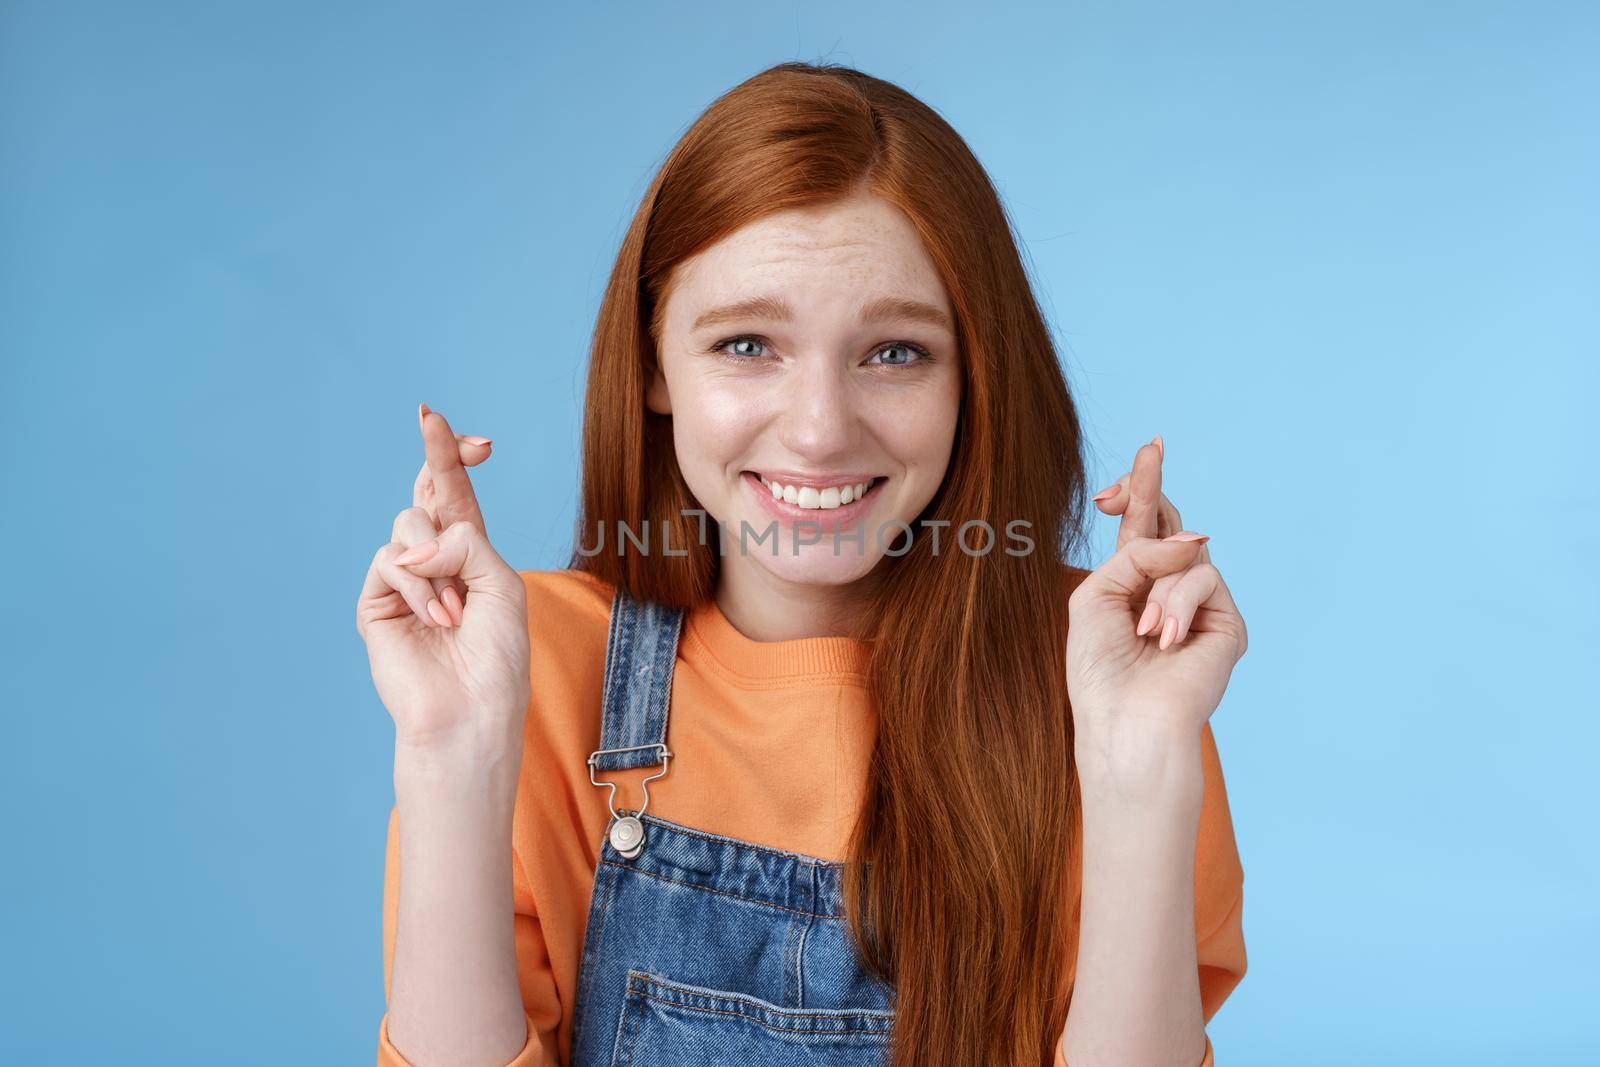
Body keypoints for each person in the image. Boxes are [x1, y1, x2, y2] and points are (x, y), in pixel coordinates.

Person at [355, 62, 1248, 1067]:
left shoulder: (1106, 680)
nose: (819, 431)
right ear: (653, 365)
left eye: (894, 352)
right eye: (746, 344)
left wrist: (1138, 772)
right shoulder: (534, 670)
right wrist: (450, 755)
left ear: (974, 376)